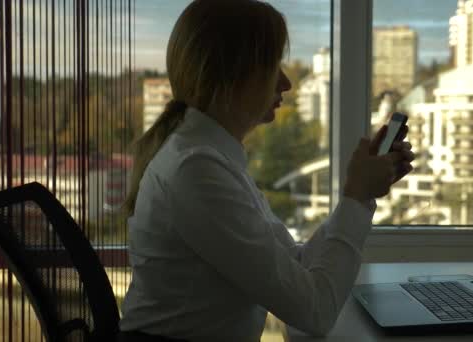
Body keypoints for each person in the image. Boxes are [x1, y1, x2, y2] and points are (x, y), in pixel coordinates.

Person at [118, 0, 415, 341]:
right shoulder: (196, 170)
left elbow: (296, 263)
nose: (286, 83)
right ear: (233, 74)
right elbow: (315, 312)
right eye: (273, 67)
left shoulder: (209, 157)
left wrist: (358, 191)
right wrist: (358, 196)